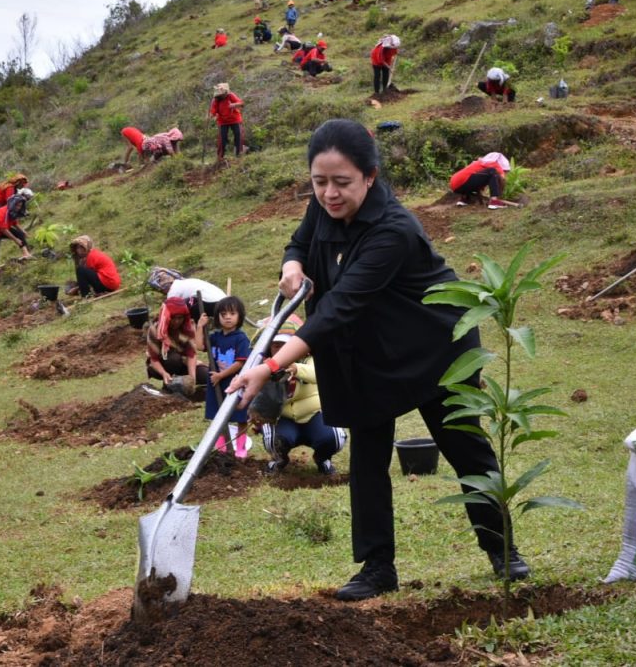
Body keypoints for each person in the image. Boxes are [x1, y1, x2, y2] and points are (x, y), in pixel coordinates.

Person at [227, 119, 530, 602]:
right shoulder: (323, 206)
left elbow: (339, 306)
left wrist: (268, 363)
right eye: (319, 182)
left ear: (370, 176)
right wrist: (292, 264)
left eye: (341, 183)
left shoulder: (394, 230)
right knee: (368, 456)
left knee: (464, 446)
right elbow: (301, 241)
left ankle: (503, 549)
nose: (329, 194)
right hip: (366, 349)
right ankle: (377, 568)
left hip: (434, 347)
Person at [257, 320, 347, 475]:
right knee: (274, 440)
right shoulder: (263, 367)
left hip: (314, 414)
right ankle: (279, 459)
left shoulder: (309, 360)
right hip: (283, 418)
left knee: (334, 438)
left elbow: (318, 374)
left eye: (286, 346)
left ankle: (323, 458)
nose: (281, 350)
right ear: (269, 348)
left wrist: (296, 368)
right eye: (276, 346)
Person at [196, 296, 252, 457]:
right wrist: (200, 327)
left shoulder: (240, 338)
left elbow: (240, 362)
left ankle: (241, 447)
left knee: (240, 416)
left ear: (239, 316)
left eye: (232, 313)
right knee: (218, 415)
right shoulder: (215, 337)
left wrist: (221, 375)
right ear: (218, 317)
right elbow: (199, 345)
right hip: (216, 383)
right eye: (223, 314)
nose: (227, 317)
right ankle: (222, 445)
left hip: (234, 382)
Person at [147, 297, 210, 388]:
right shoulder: (155, 330)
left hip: (183, 363)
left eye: (180, 318)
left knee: (206, 375)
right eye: (173, 318)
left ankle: (182, 383)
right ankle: (168, 385)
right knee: (173, 359)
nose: (176, 321)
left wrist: (192, 378)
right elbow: (154, 359)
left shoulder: (188, 328)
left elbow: (191, 355)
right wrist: (164, 373)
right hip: (163, 365)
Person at [0, 190, 33, 281]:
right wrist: (15, 240)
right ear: (13, 204)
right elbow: (4, 230)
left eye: (20, 206)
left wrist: (23, 231)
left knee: (20, 234)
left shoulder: (12, 211)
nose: (18, 207)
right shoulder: (3, 213)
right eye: (17, 205)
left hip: (3, 228)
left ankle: (26, 254)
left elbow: (15, 224)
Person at [161, 274, 228, 321]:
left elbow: (168, 307)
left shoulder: (173, 288)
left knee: (182, 309)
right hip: (224, 300)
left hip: (212, 302)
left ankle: (195, 328)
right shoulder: (184, 282)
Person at [209, 83, 245, 161]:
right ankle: (220, 157)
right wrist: (212, 115)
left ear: (225, 92)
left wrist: (234, 104)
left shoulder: (231, 95)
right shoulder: (216, 99)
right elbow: (213, 110)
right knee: (222, 139)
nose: (220, 96)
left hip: (235, 119)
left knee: (238, 136)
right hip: (222, 121)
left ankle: (239, 155)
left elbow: (241, 103)